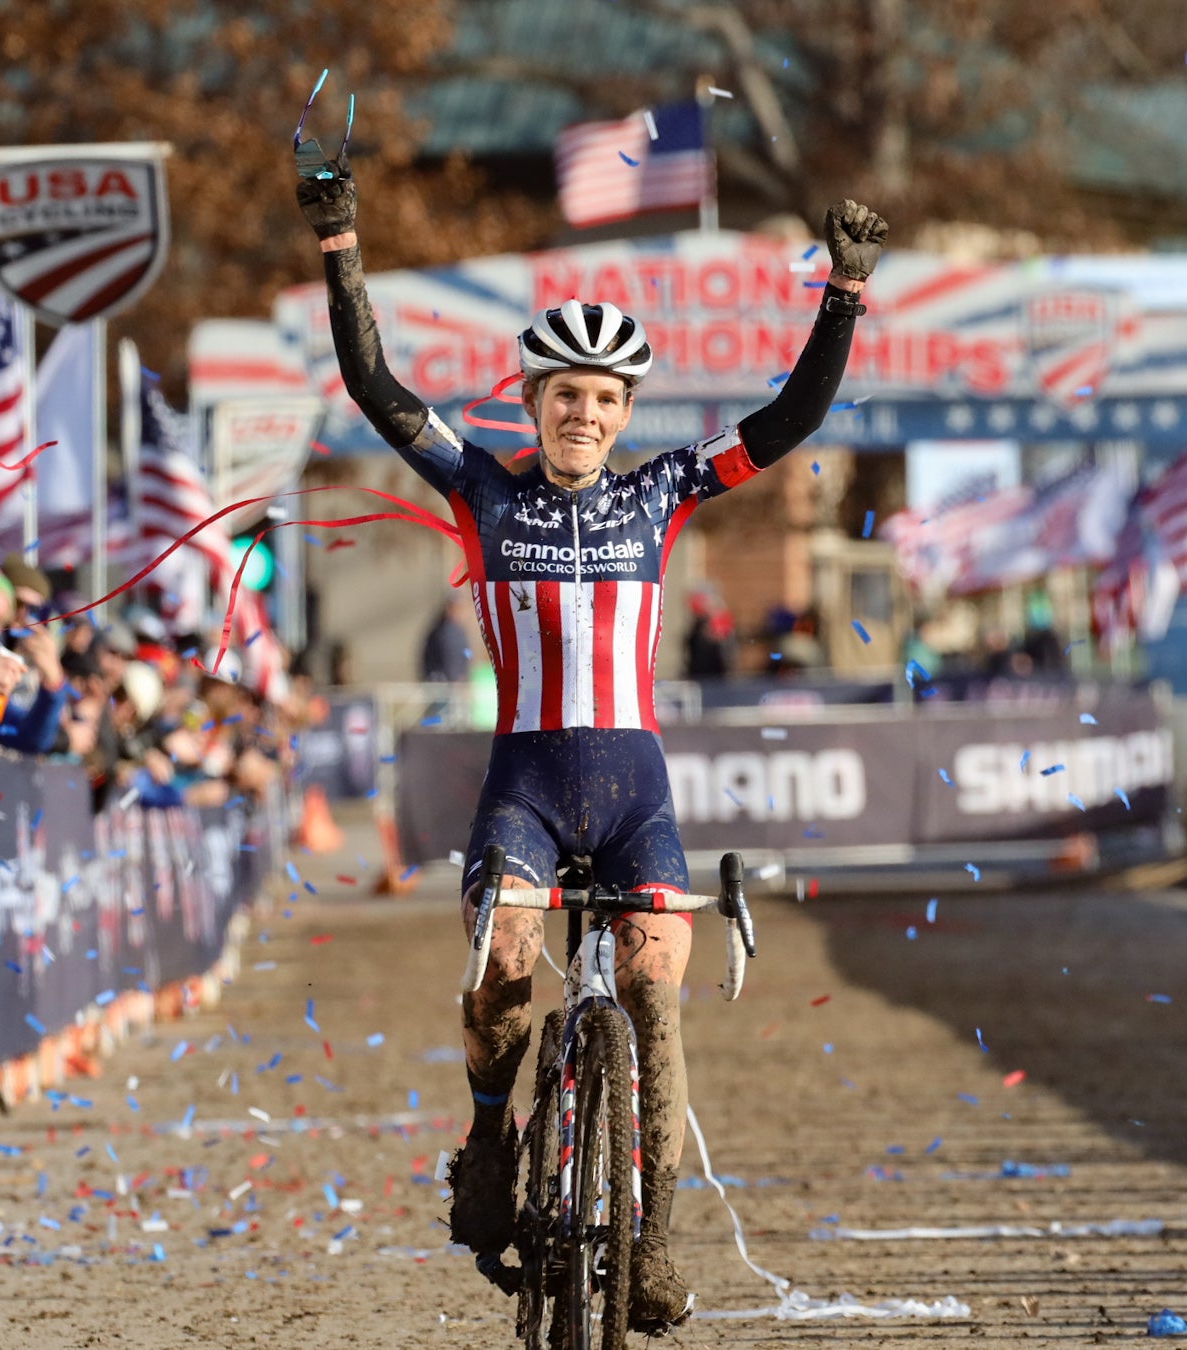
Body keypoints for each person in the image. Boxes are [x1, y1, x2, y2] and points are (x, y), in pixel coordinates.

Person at [299, 142, 888, 1330]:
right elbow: (372, 385)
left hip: (635, 795)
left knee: (659, 995)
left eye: (606, 399)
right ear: (533, 403)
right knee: (508, 971)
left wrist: (845, 297)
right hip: (525, 786)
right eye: (565, 394)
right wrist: (342, 251)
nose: (585, 413)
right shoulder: (481, 485)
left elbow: (792, 417)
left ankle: (655, 1240)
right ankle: (485, 1144)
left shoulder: (661, 490)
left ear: (626, 413)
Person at [419, 594, 473, 683]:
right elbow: (429, 655)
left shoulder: (461, 632)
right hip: (441, 683)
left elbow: (467, 651)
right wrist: (433, 674)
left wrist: (464, 671)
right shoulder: (437, 631)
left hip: (458, 682)